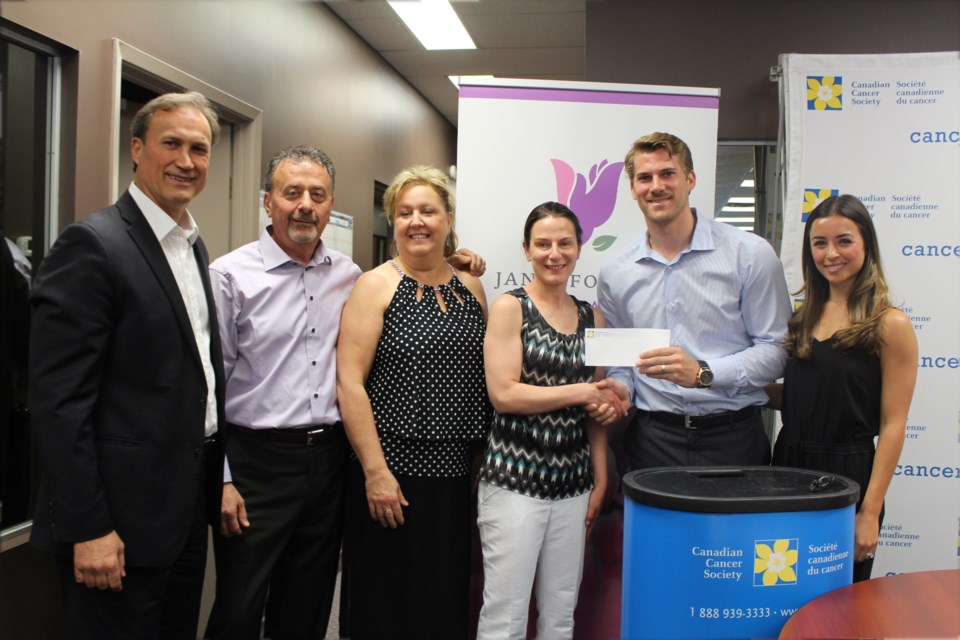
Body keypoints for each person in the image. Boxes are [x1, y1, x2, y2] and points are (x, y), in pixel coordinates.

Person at [206, 150, 485, 639]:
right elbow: (210, 384)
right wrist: (222, 475)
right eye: (292, 193)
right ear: (267, 201)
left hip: (333, 459)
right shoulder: (232, 275)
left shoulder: (346, 272)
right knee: (240, 604)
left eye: (317, 195)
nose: (305, 206)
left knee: (310, 600)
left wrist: (456, 259)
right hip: (259, 462)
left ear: (331, 203)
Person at [28, 91, 226, 639]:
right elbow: (59, 404)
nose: (186, 161)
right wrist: (89, 527)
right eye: (172, 144)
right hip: (114, 523)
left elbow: (194, 376)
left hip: (182, 511)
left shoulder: (190, 245)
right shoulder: (93, 245)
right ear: (137, 149)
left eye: (199, 149)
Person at [336, 165, 490, 639]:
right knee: (385, 603)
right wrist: (376, 473)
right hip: (392, 477)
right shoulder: (375, 285)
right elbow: (350, 384)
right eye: (404, 213)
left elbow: (480, 380)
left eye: (428, 211)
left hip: (454, 479)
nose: (416, 221)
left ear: (448, 219)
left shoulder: (470, 286)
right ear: (392, 222)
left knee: (441, 600)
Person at [475, 202, 626, 640]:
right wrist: (583, 392)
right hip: (514, 482)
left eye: (564, 243)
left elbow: (596, 412)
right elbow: (504, 395)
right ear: (527, 250)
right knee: (505, 615)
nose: (554, 253)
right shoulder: (510, 308)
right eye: (542, 244)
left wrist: (600, 478)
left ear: (579, 249)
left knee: (561, 613)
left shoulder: (591, 318)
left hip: (573, 485)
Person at [596, 131, 791, 469]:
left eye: (667, 174)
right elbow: (623, 359)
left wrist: (704, 372)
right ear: (632, 189)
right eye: (645, 177)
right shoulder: (615, 272)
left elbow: (778, 350)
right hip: (652, 440)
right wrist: (621, 387)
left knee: (734, 525)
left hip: (734, 439)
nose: (656, 186)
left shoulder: (750, 255)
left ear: (690, 179)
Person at [767, 194, 917, 582]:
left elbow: (893, 424)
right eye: (820, 243)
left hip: (848, 475)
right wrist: (734, 388)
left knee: (838, 602)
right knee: (779, 590)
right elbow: (810, 397)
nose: (831, 253)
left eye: (844, 241)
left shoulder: (889, 324)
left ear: (866, 244)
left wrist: (868, 511)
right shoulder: (803, 318)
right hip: (787, 467)